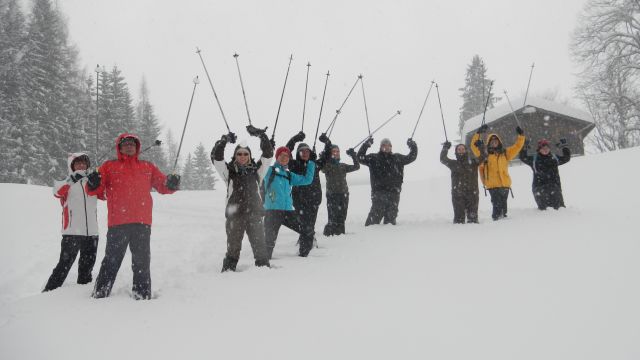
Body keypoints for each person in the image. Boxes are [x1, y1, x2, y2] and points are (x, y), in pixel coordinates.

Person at [86, 133, 180, 300]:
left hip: (142, 223)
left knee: (142, 262)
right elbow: (97, 191)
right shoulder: (109, 166)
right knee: (111, 261)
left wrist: (171, 183)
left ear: (137, 147)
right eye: (125, 144)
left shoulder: (147, 167)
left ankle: (142, 294)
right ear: (119, 147)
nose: (129, 146)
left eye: (132, 144)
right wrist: (92, 183)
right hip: (118, 223)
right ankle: (100, 293)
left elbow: (162, 186)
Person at [211, 126, 272, 272]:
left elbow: (268, 155)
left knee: (260, 249)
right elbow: (216, 159)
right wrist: (224, 141)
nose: (242, 156)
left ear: (250, 156)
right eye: (239, 154)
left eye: (245, 154)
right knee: (233, 248)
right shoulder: (229, 172)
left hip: (255, 215)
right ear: (235, 156)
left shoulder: (258, 171)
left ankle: (266, 276)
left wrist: (261, 135)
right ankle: (228, 274)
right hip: (235, 216)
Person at [43, 153, 101, 292]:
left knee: (87, 268)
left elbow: (104, 195)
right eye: (78, 163)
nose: (81, 165)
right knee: (64, 265)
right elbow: (57, 193)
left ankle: (80, 295)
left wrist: (98, 182)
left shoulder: (91, 183)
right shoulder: (65, 183)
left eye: (84, 163)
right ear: (72, 166)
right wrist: (71, 180)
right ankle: (48, 292)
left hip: (92, 233)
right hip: (72, 232)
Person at [263, 146, 315, 259]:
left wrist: (311, 163)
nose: (284, 158)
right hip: (272, 211)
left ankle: (303, 257)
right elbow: (260, 168)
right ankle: (263, 265)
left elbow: (307, 180)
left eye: (287, 156)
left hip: (287, 211)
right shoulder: (269, 171)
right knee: (268, 242)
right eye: (282, 155)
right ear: (277, 157)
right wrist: (266, 148)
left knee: (307, 231)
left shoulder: (288, 175)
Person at [357, 137, 417, 226]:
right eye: (384, 145)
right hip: (379, 193)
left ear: (391, 147)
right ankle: (370, 237)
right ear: (380, 147)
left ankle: (389, 239)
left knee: (390, 222)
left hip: (394, 193)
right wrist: (366, 145)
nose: (387, 147)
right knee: (373, 222)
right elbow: (360, 157)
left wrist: (413, 146)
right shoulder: (374, 158)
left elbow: (411, 157)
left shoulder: (397, 158)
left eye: (389, 145)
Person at [470, 124, 526, 220]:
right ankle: (496, 220)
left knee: (504, 205)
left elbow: (517, 147)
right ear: (489, 143)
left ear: (499, 142)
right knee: (496, 204)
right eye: (492, 141)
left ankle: (503, 219)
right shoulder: (484, 154)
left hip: (505, 184)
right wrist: (478, 133)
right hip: (493, 185)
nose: (494, 142)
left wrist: (521, 136)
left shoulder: (505, 153)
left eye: (496, 141)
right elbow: (473, 146)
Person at [284, 131, 325, 246]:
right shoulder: (293, 164)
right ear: (298, 153)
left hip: (314, 199)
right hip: (299, 200)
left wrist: (326, 142)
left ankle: (309, 238)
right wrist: (295, 139)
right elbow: (286, 151)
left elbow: (327, 155)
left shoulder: (315, 164)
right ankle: (306, 239)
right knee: (302, 223)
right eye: (302, 151)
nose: (305, 153)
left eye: (307, 151)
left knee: (311, 222)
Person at [318, 136, 360, 235]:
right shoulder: (327, 165)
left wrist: (353, 155)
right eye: (334, 151)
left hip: (344, 194)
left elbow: (356, 166)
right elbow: (322, 168)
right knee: (333, 217)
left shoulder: (343, 166)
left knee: (342, 217)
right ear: (330, 153)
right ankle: (329, 234)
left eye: (338, 151)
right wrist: (323, 156)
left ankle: (341, 234)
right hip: (332, 194)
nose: (336, 153)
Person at [440, 141, 486, 224]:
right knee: (459, 221)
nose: (461, 150)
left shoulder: (473, 162)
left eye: (462, 149)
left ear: (466, 150)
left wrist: (481, 146)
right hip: (458, 195)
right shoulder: (453, 163)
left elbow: (483, 156)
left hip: (472, 194)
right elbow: (443, 159)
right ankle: (459, 236)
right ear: (456, 152)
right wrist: (445, 148)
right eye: (459, 149)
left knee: (473, 220)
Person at [519, 138, 571, 210]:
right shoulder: (534, 159)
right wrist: (524, 147)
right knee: (544, 211)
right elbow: (522, 157)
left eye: (547, 148)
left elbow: (566, 158)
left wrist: (564, 147)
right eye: (543, 148)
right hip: (539, 189)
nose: (545, 150)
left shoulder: (554, 158)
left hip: (555, 188)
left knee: (559, 209)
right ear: (539, 149)